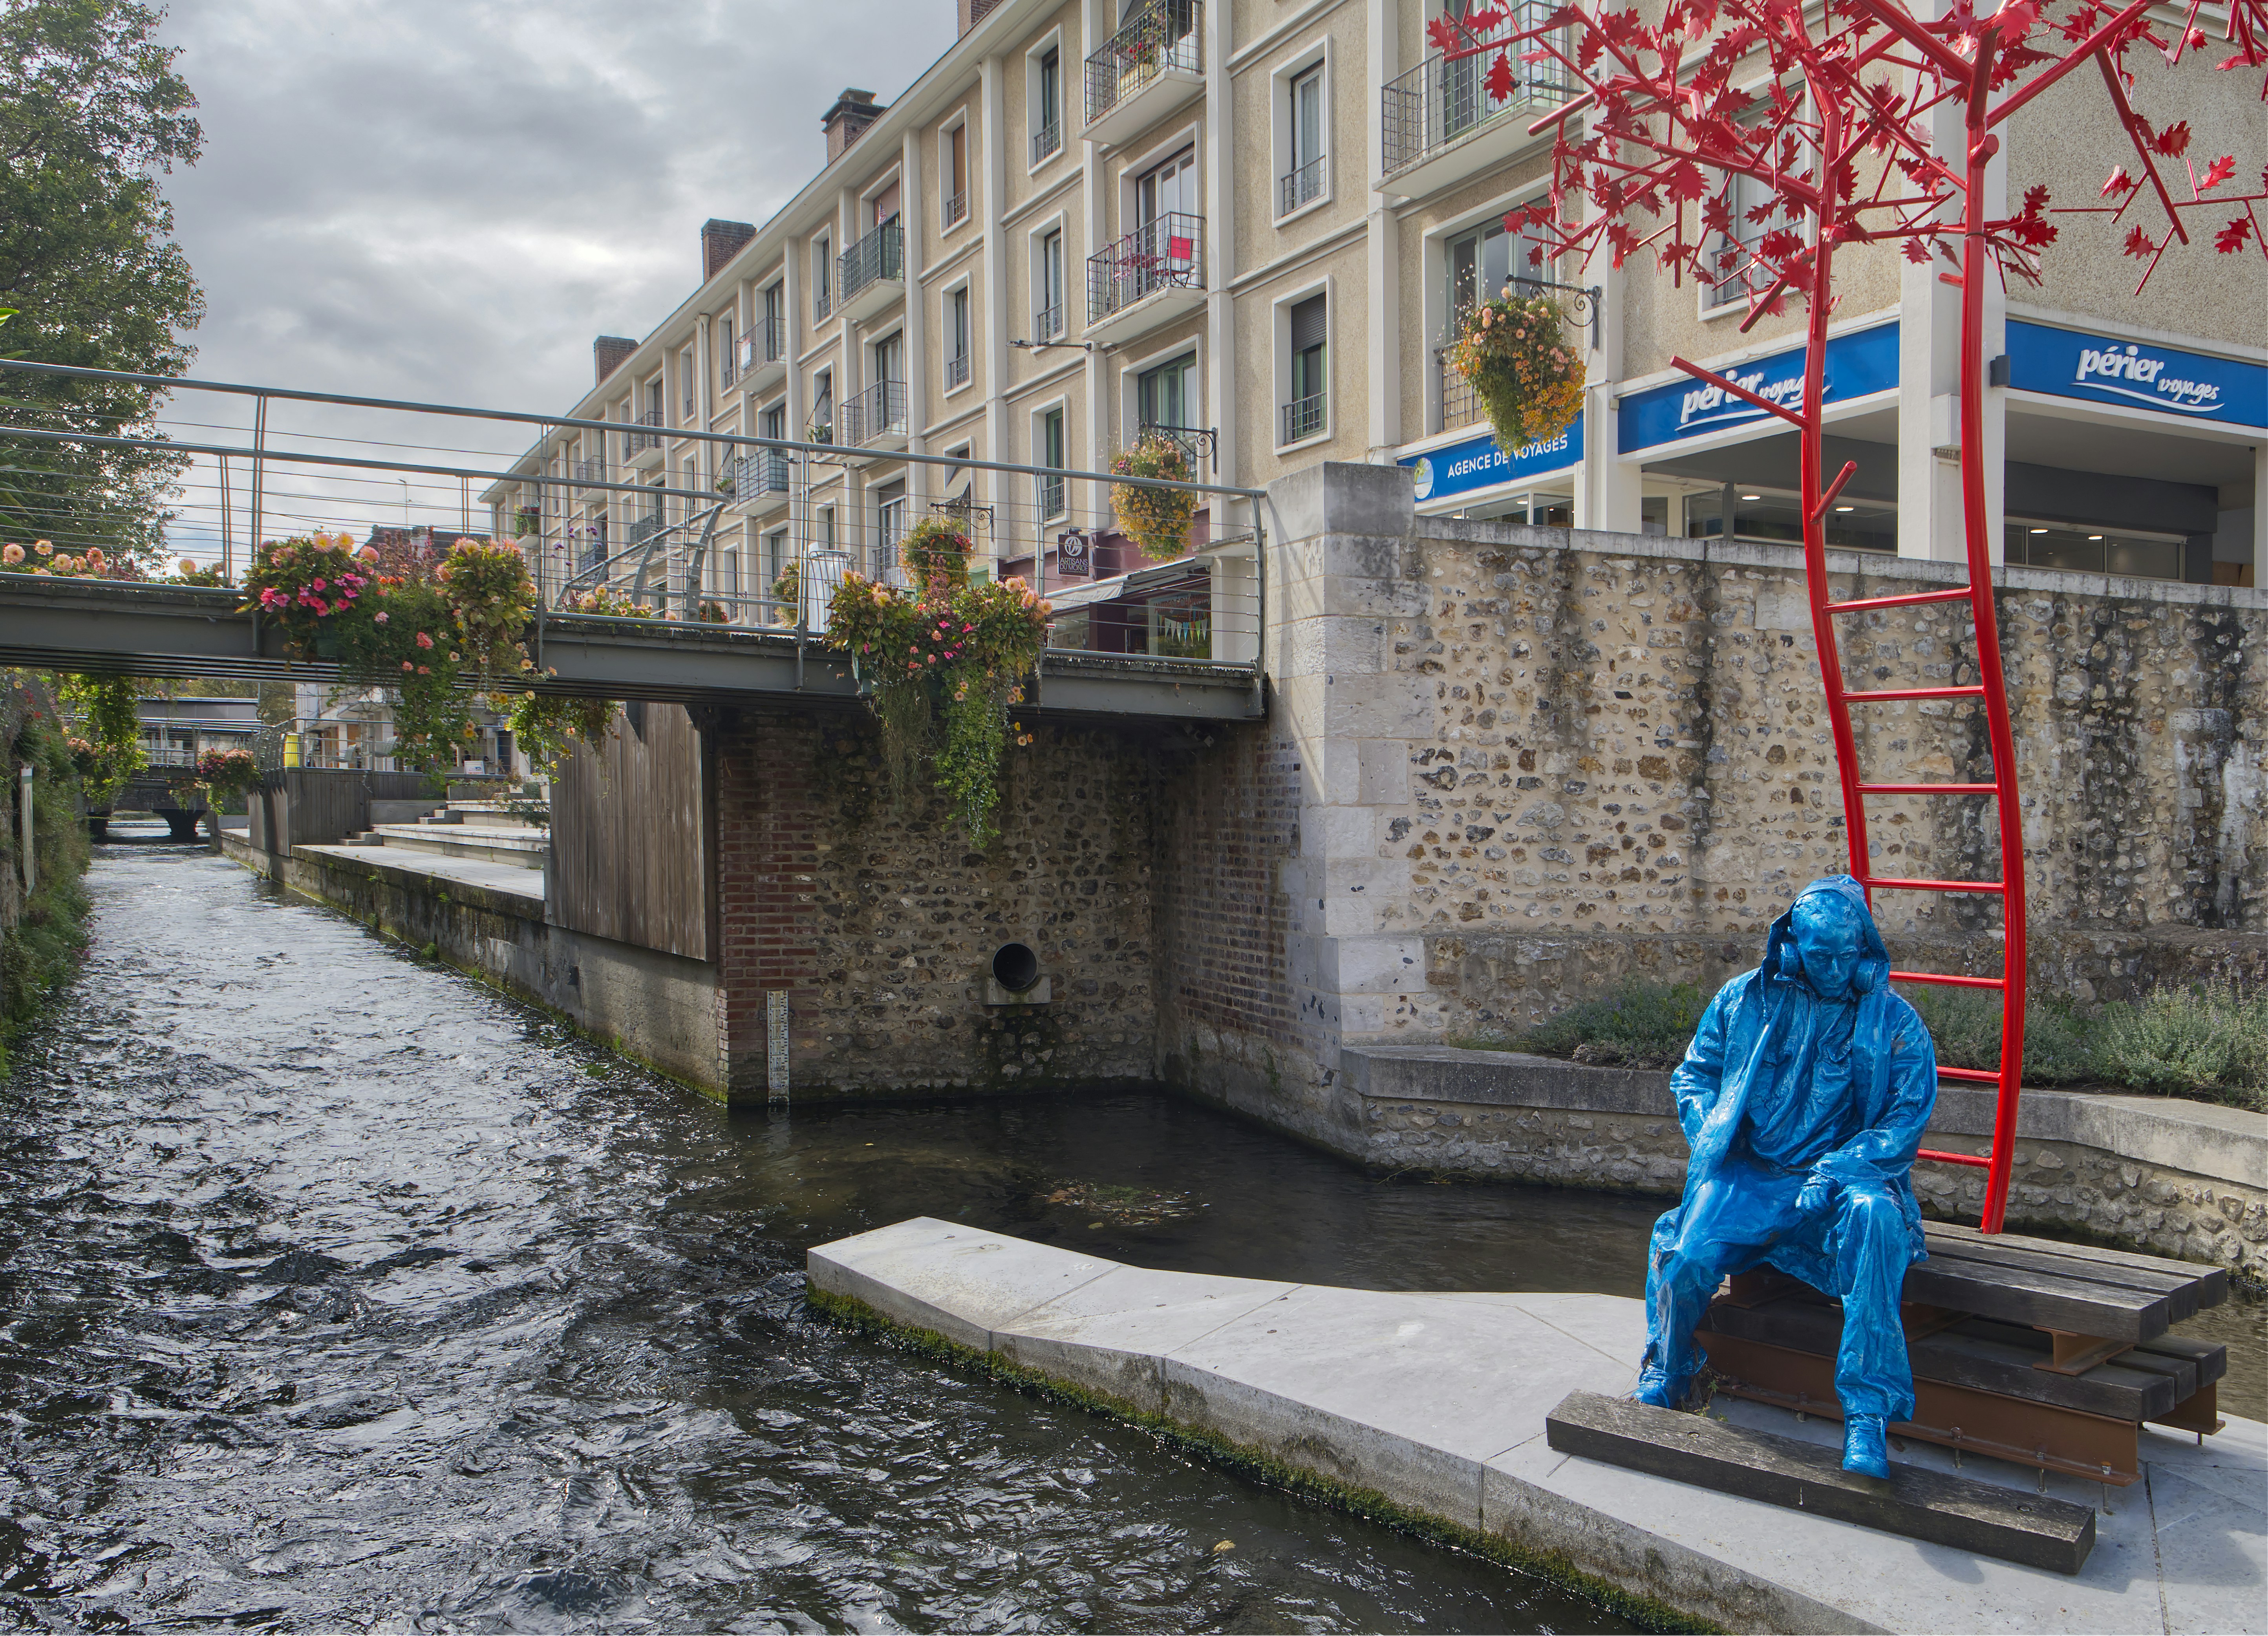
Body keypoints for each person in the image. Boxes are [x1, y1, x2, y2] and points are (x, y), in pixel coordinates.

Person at [1631, 874, 1938, 1479]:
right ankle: (1670, 1364)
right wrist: (1712, 1132)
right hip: (1756, 1174)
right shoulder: (1743, 1000)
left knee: (1876, 1220)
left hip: (1845, 1178)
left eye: (1845, 956)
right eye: (1819, 955)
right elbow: (1693, 1075)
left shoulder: (1897, 1024)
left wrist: (1837, 1168)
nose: (1831, 967)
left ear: (1864, 953)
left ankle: (1867, 1415)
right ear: (1792, 945)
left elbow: (1905, 1121)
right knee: (1689, 1253)